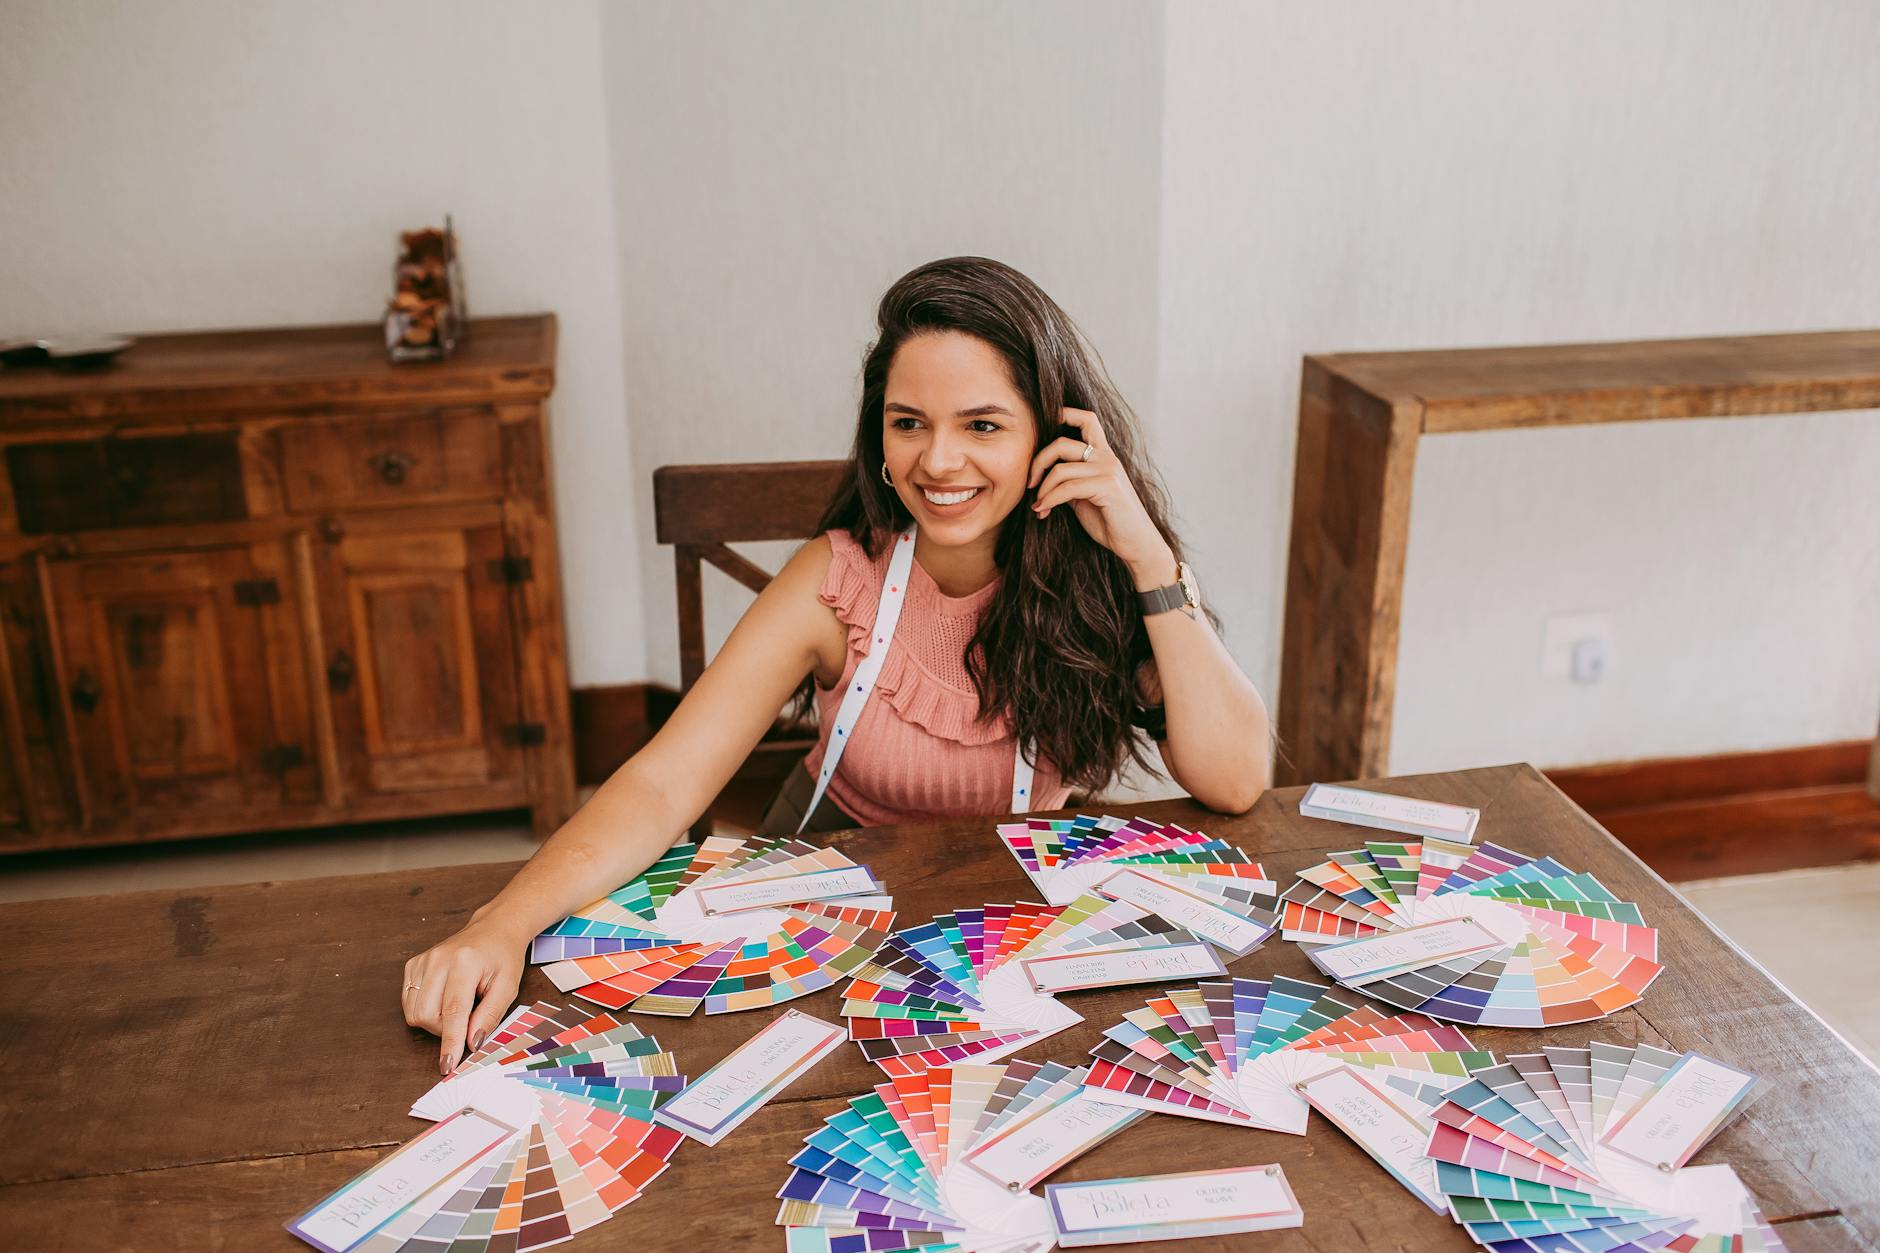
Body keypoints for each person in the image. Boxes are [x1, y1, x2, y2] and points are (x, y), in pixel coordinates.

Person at [402, 256, 1271, 1073]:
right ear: (880, 437)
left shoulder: (1099, 577)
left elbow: (1235, 780)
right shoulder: (837, 579)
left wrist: (1150, 560)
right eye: (909, 424)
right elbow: (666, 785)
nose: (938, 460)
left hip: (1009, 920)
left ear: (1052, 436)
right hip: (818, 907)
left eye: (982, 425)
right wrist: (503, 922)